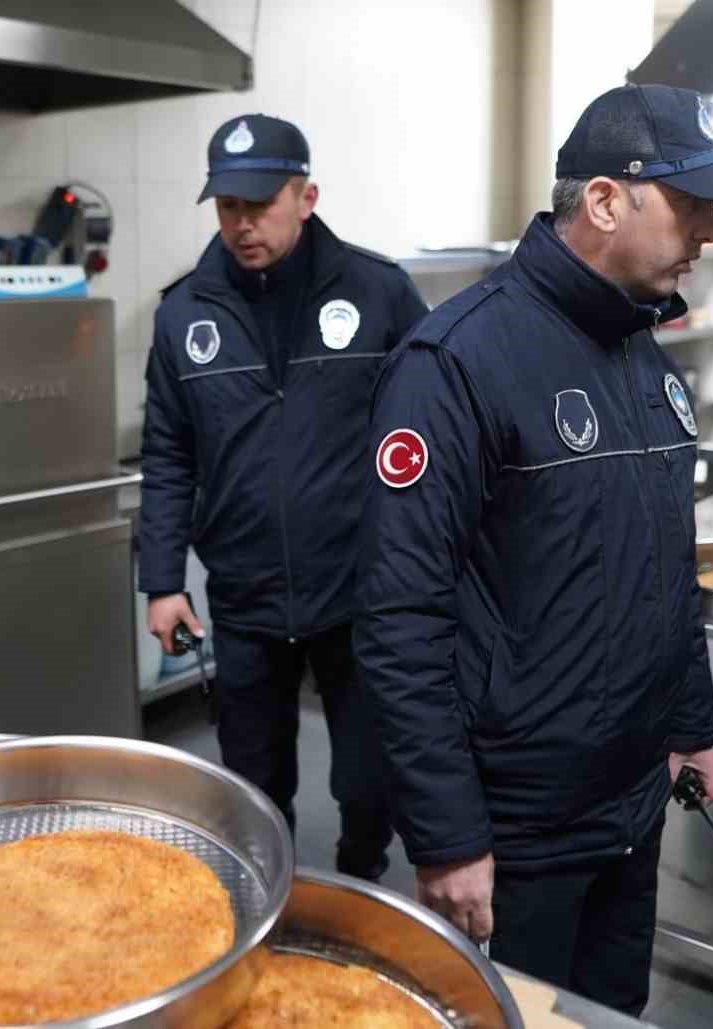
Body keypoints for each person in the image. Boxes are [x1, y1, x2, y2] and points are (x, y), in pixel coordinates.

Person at [353, 84, 713, 1014]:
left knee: (611, 1011)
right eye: (693, 204)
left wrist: (688, 723)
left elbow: (671, 569)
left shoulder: (645, 359)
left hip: (631, 808)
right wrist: (446, 834)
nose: (710, 233)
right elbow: (399, 619)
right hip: (518, 832)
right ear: (603, 202)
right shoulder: (457, 364)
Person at [140, 113, 429, 879]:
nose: (241, 225)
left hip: (361, 589)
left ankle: (362, 871)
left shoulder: (380, 292)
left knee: (370, 778)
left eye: (260, 204)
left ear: (306, 196)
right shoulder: (183, 314)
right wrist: (163, 580)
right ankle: (264, 896)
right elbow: (168, 450)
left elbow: (435, 429)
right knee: (253, 782)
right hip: (246, 596)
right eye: (227, 207)